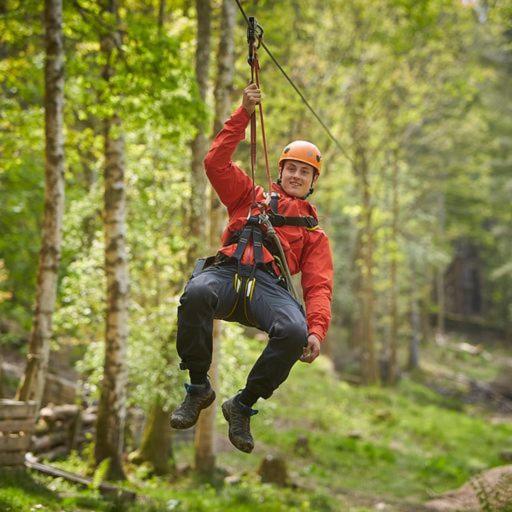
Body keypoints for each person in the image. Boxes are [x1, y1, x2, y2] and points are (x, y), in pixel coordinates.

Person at [170, 83, 333, 453]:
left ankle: (242, 405)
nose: (295, 176)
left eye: (303, 173)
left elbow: (318, 286)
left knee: (293, 331)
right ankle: (198, 389)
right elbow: (215, 163)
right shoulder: (250, 196)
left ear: (313, 183)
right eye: (290, 168)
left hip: (269, 288)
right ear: (281, 171)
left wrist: (317, 331)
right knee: (195, 293)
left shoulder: (314, 236)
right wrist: (243, 113)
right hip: (226, 274)